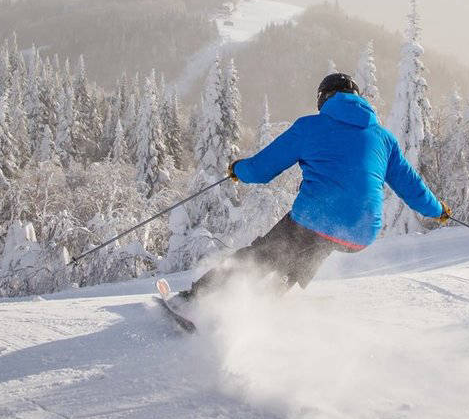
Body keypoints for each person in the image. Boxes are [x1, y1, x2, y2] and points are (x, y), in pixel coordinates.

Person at [174, 73, 450, 304]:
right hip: (361, 233)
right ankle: (264, 305)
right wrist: (438, 211)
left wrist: (238, 170)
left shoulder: (311, 127)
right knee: (312, 250)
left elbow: (262, 169)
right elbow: (411, 186)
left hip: (317, 218)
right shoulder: (383, 138)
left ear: (323, 98)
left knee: (261, 255)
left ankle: (197, 299)